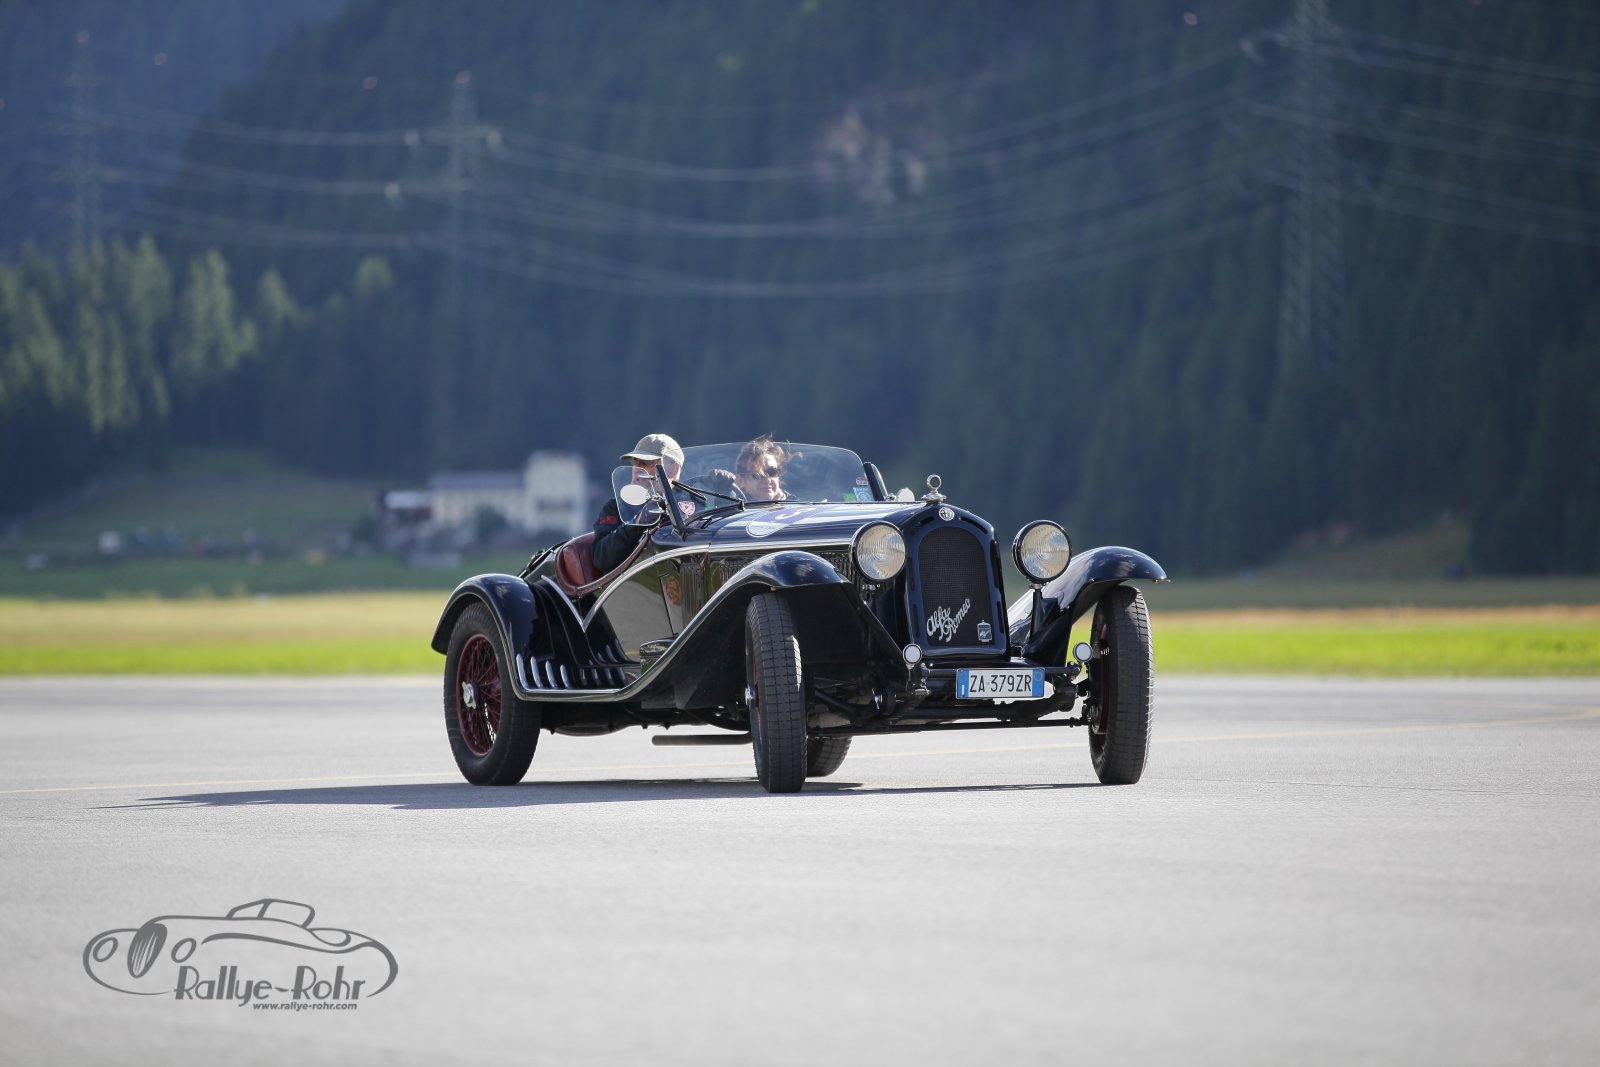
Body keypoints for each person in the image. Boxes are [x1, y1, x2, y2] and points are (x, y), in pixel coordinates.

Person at [592, 433, 683, 573]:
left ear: (673, 469)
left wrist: (721, 490)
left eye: (646, 462)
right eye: (635, 462)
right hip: (637, 582)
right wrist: (636, 524)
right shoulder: (617, 507)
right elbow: (601, 558)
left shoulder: (690, 502)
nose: (636, 468)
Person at [732, 433, 788, 501]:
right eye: (758, 474)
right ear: (740, 480)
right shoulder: (730, 506)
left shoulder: (795, 504)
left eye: (772, 472)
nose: (767, 480)